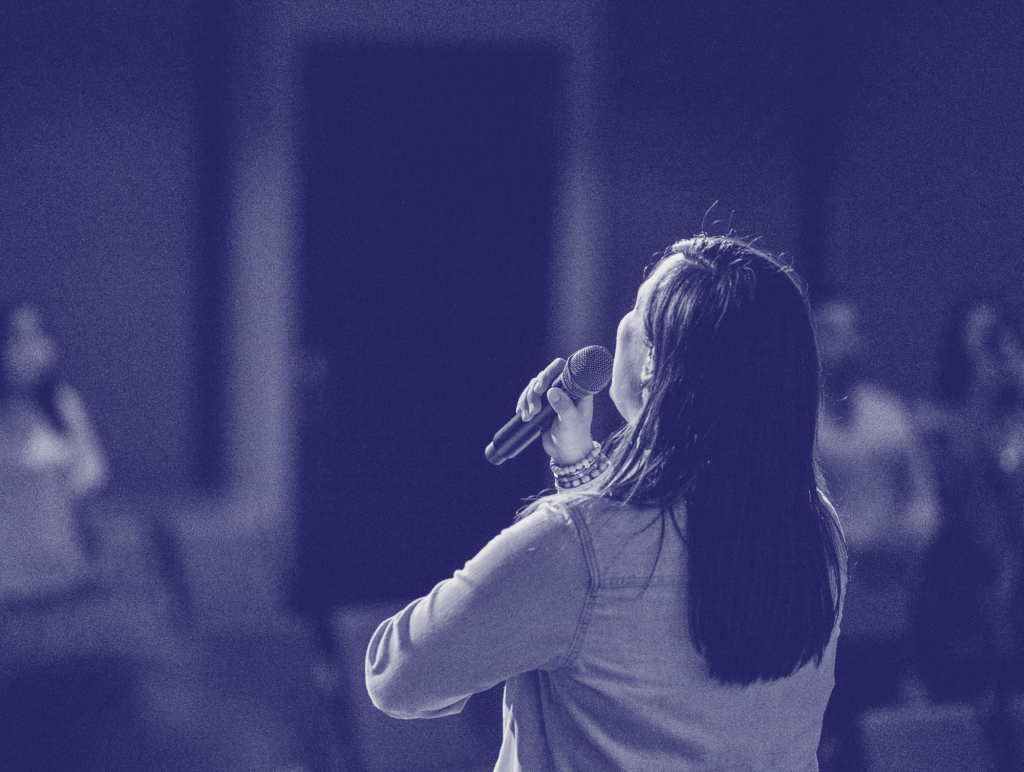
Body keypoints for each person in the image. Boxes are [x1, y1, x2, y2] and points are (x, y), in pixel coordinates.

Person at [365, 234, 847, 771]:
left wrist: (575, 514)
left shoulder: (576, 542)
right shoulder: (814, 533)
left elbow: (398, 675)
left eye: (637, 306)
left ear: (652, 363)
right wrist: (584, 472)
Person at [812, 289, 938, 771]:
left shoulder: (889, 414)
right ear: (815, 339)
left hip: (887, 602)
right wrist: (847, 540)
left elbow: (924, 501)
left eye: (853, 330)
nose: (846, 342)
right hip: (821, 612)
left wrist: (904, 540)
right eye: (833, 331)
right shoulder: (800, 415)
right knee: (824, 743)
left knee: (881, 738)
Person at [911, 293, 1024, 771]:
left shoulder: (1016, 426)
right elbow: (959, 515)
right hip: (960, 609)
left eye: (1004, 336)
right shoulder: (936, 426)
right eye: (984, 339)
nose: (997, 349)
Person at [0, 301, 108, 606]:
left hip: (67, 579)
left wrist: (96, 564)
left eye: (37, 335)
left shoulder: (63, 405)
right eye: (16, 338)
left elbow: (88, 488)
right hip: (8, 588)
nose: (29, 349)